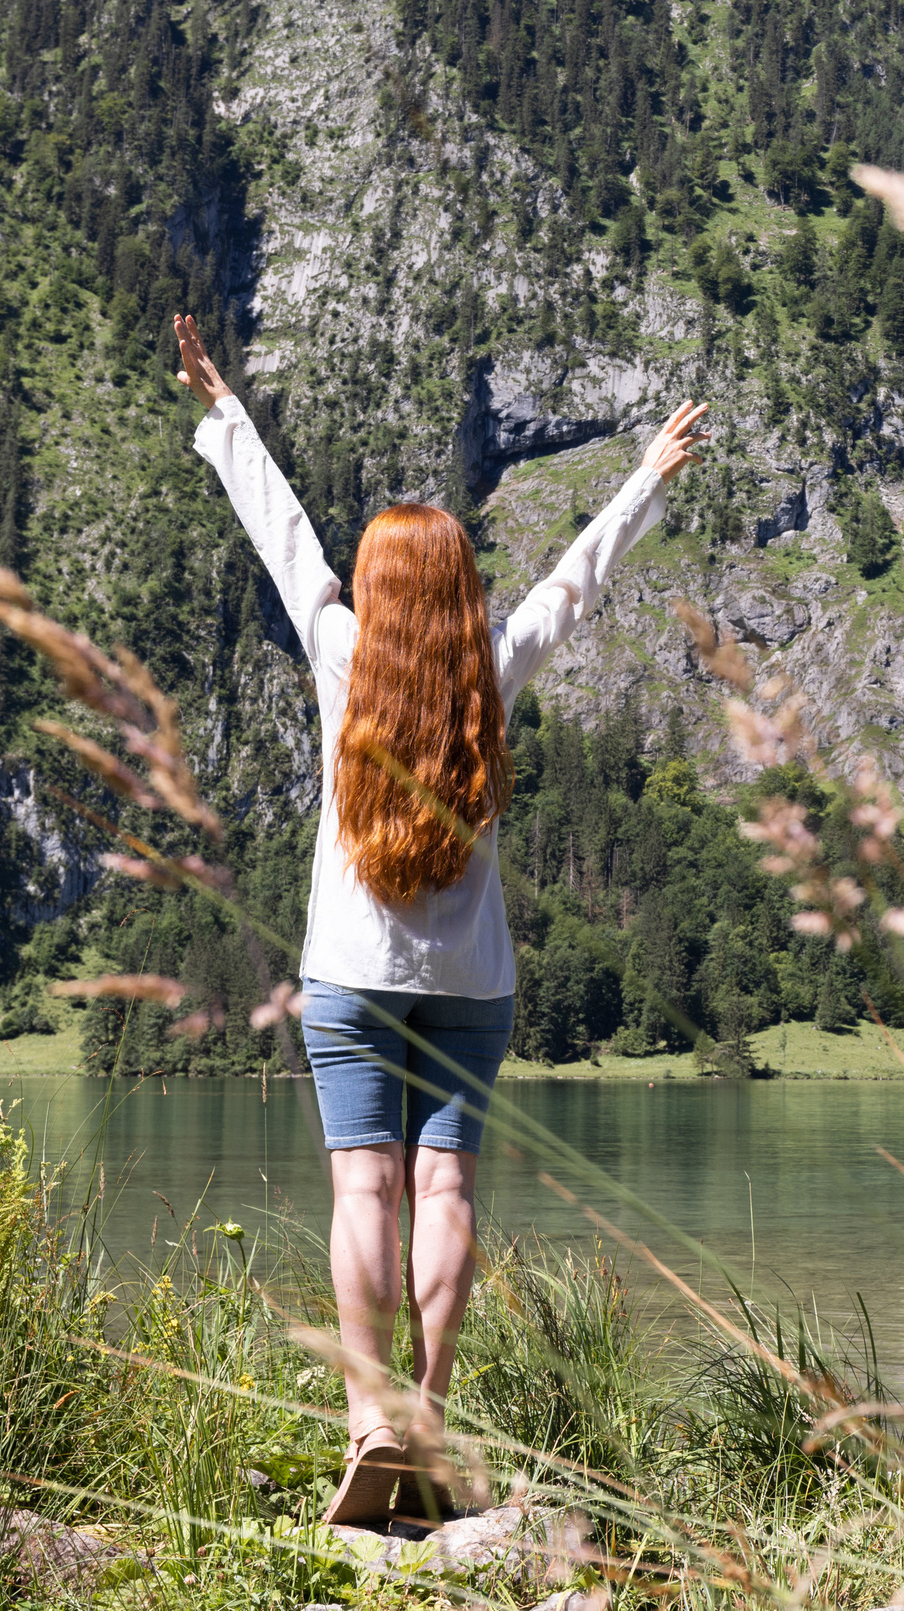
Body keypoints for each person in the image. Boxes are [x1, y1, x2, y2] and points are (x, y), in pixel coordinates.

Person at [172, 313, 709, 1524]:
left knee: (361, 1188)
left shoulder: (342, 657)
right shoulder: (493, 672)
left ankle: (369, 1422)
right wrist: (642, 479)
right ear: (461, 592)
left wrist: (227, 416)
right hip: (472, 984)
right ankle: (427, 1409)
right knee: (446, 1192)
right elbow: (576, 584)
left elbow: (286, 541)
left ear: (380, 594)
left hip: (352, 977)